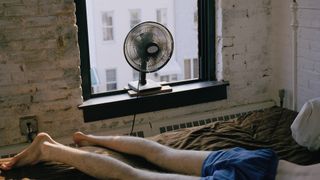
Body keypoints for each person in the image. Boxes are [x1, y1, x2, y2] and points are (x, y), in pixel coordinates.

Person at [0, 132, 319, 180]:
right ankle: (48, 149)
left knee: (160, 152)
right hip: (252, 174)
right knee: (135, 176)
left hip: (262, 160)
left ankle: (87, 138)